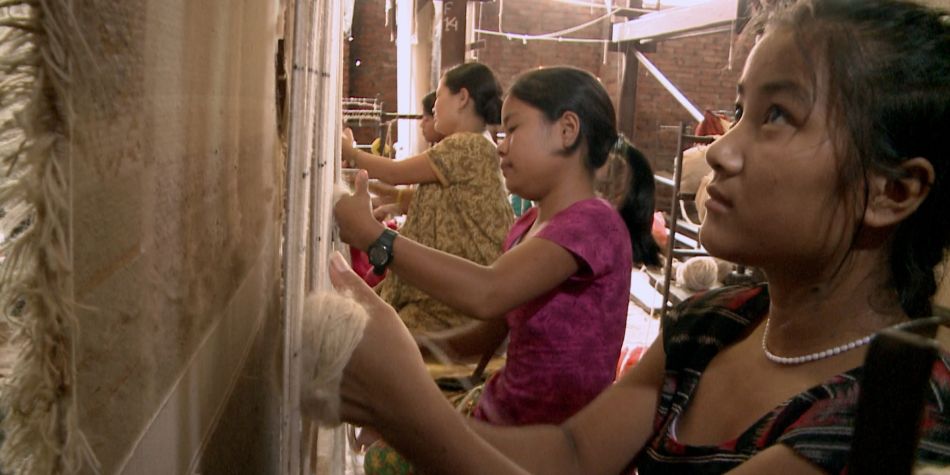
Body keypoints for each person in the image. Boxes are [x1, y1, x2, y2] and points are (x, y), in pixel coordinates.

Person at [325, 0, 950, 473]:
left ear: (891, 192)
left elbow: (489, 296)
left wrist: (405, 404)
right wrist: (406, 397)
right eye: (739, 111)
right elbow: (574, 451)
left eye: (778, 116)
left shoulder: (891, 412)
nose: (721, 150)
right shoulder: (714, 322)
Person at [336, 65, 660, 431]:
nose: (501, 146)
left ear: (566, 130)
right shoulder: (527, 226)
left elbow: (487, 292)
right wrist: (399, 347)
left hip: (547, 438)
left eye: (513, 130)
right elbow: (482, 337)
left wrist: (375, 238)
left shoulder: (593, 223)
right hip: (502, 410)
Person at [342, 62, 514, 332]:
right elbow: (417, 196)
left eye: (439, 95)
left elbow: (395, 173)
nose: (433, 107)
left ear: (462, 98)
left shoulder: (467, 144)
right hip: (455, 292)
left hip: (450, 302)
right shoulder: (474, 144)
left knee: (355, 328)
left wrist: (349, 152)